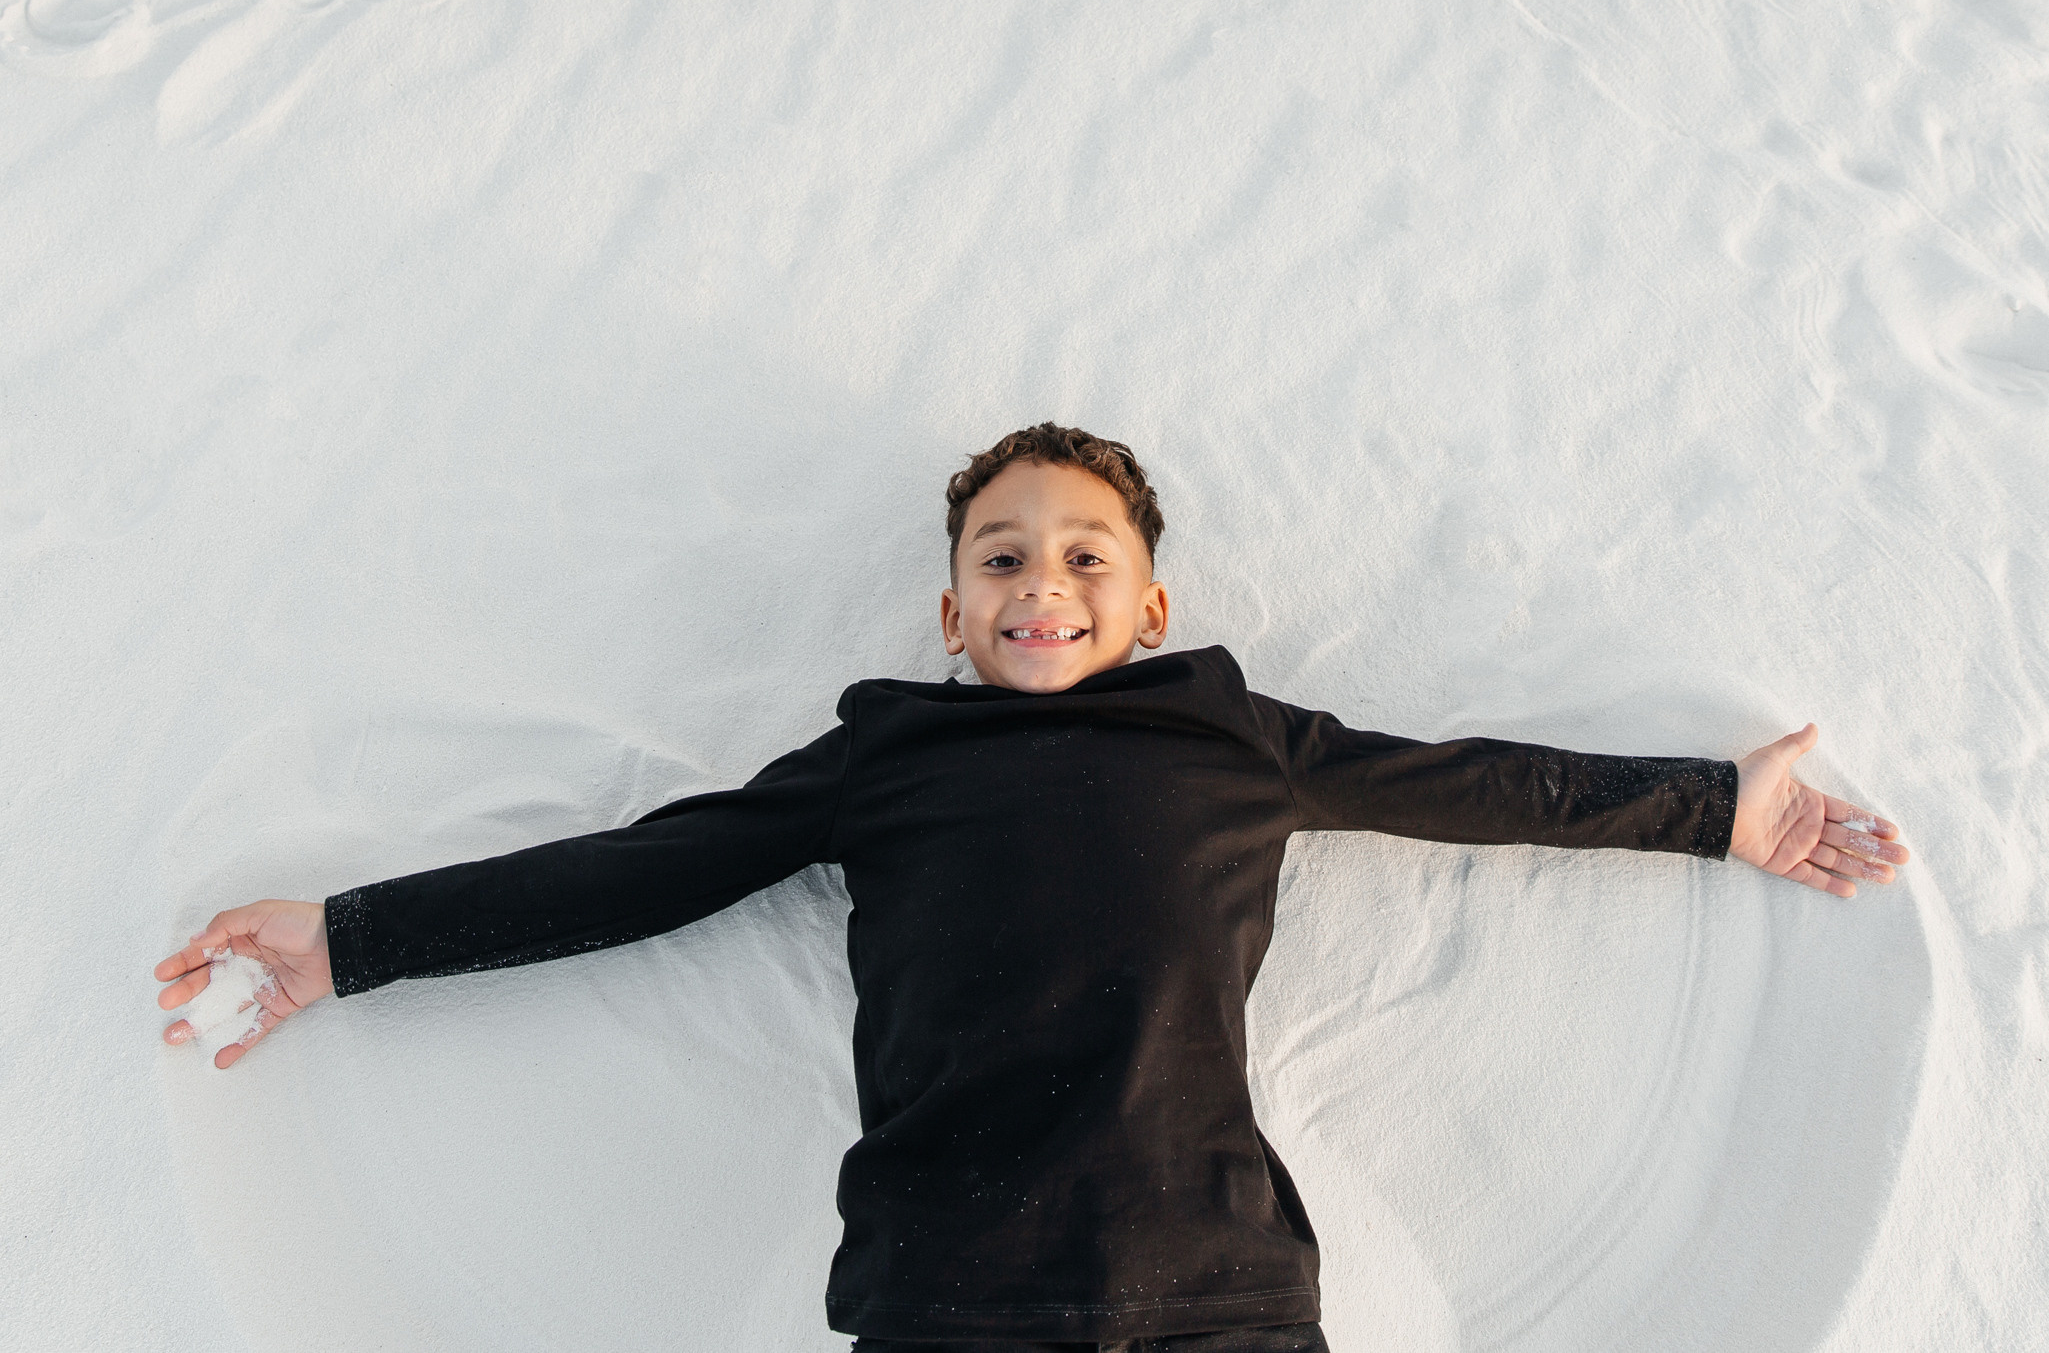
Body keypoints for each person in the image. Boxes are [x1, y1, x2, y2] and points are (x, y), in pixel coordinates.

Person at [153, 424, 1910, 1352]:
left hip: (1215, 1287)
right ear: (948, 612)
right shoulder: (883, 757)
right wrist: (345, 941)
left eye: (1085, 555)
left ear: (1149, 603)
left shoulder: (1239, 738)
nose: (1040, 581)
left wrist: (1713, 810)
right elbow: (637, 871)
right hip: (949, 1294)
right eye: (1000, 555)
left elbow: (1470, 785)